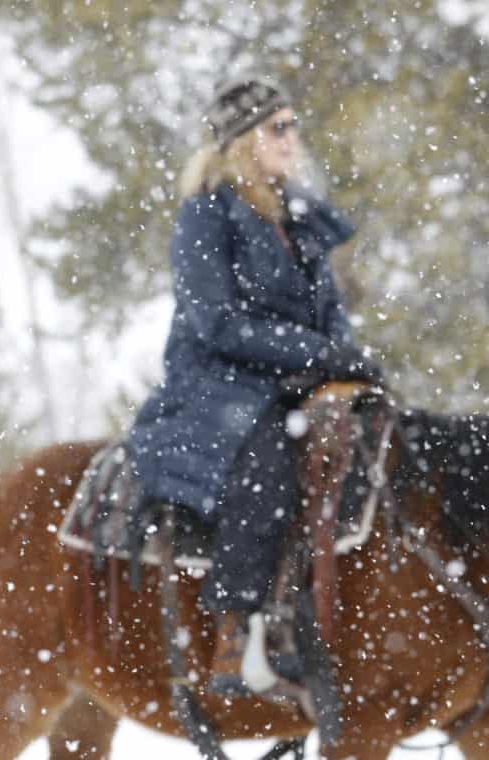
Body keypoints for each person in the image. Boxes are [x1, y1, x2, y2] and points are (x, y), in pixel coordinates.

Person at [127, 76, 381, 695]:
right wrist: (317, 352)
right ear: (242, 142)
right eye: (278, 127)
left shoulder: (299, 217)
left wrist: (349, 360)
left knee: (381, 442)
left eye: (294, 125)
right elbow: (216, 323)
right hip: (218, 383)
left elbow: (328, 313)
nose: (292, 139)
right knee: (268, 457)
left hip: (296, 377)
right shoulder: (205, 215)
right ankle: (234, 629)